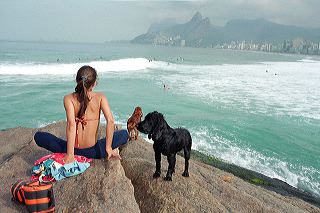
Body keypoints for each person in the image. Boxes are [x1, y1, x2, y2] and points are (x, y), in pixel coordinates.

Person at [34, 65, 128, 163]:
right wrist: (108, 148)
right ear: (94, 83)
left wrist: (70, 155)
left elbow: (71, 125)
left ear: (77, 81)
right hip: (95, 151)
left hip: (72, 151)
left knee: (39, 136)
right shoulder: (101, 97)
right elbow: (110, 121)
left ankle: (70, 152)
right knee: (124, 134)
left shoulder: (68, 98)